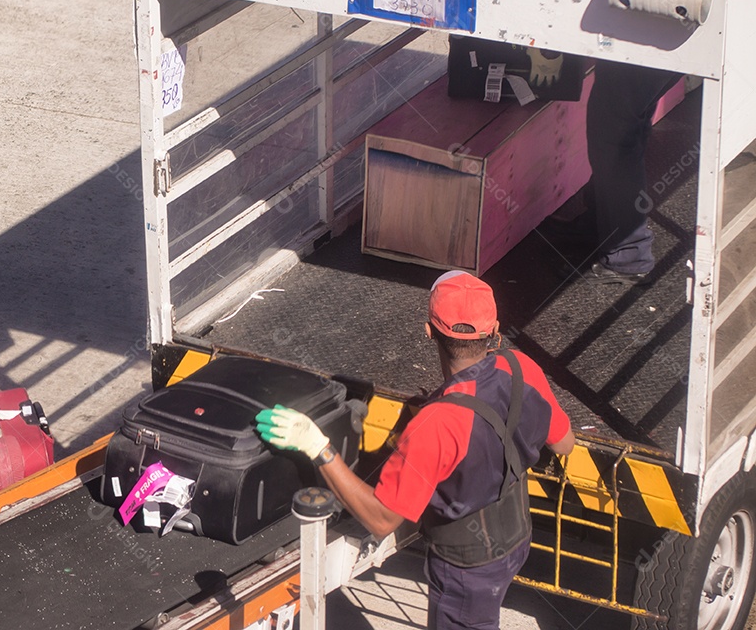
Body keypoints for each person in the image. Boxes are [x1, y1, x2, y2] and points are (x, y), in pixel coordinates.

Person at [255, 270, 575, 630]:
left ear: (428, 332)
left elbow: (381, 519)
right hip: (515, 538)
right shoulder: (523, 368)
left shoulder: (437, 423)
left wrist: (319, 448)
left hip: (467, 569)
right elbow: (565, 444)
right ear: (495, 329)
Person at [567, 59, 683, 285]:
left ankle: (628, 252)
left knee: (616, 138)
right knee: (626, 126)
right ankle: (605, 225)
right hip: (664, 40)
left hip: (646, 37)